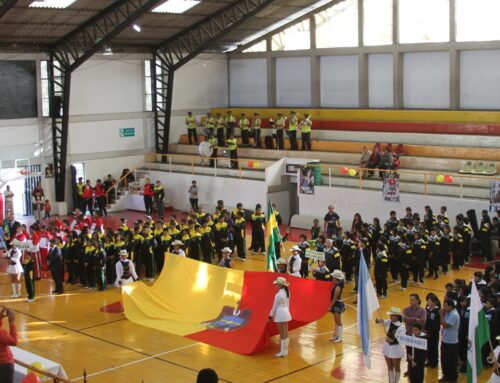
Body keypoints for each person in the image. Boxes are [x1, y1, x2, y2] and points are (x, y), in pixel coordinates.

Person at [375, 307, 405, 383]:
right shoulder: (389, 321)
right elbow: (382, 322)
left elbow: (400, 340)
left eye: (393, 315)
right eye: (391, 315)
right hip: (387, 347)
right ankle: (391, 381)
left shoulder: (402, 327)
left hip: (395, 349)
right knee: (389, 366)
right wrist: (378, 320)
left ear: (398, 316)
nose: (391, 317)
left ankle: (396, 381)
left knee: (396, 367)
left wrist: (392, 340)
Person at [403, 294, 427, 377]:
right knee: (409, 354)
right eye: (410, 300)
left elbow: (422, 322)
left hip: (418, 337)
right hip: (409, 336)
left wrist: (410, 319)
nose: (411, 301)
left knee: (418, 356)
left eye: (413, 300)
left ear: (417, 300)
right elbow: (404, 319)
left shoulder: (422, 310)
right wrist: (415, 319)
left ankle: (419, 373)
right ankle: (410, 370)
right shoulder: (406, 309)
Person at [269, 276, 292, 357]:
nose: (276, 285)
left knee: (282, 333)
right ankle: (285, 351)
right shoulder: (288, 292)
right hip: (286, 313)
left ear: (281, 285)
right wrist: (288, 312)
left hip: (280, 314)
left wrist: (270, 316)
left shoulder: (278, 294)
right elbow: (288, 304)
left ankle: (283, 352)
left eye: (278, 284)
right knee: (285, 333)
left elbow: (274, 307)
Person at [439, 299, 459, 383]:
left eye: (446, 306)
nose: (444, 307)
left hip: (452, 342)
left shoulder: (454, 314)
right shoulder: (448, 312)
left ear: (451, 306)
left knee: (451, 361)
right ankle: (446, 375)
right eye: (444, 305)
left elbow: (446, 325)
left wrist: (441, 315)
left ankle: (453, 377)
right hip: (445, 340)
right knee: (444, 359)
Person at [0, 307, 17, 383]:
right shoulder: (1, 333)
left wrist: (0, 318)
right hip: (4, 364)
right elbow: (14, 341)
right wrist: (12, 323)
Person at [329, 270, 346, 343]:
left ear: (336, 278)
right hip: (336, 304)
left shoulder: (338, 287)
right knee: (336, 321)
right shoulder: (336, 285)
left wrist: (330, 306)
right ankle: (336, 335)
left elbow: (335, 298)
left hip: (337, 305)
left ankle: (340, 337)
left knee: (338, 321)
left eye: (333, 277)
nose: (332, 277)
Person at [425, 294, 441, 368]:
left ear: (434, 302)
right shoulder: (428, 309)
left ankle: (434, 362)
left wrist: (430, 332)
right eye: (428, 301)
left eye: (429, 301)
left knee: (434, 347)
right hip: (427, 332)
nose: (428, 302)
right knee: (428, 347)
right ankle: (429, 360)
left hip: (433, 333)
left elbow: (436, 324)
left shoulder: (437, 311)